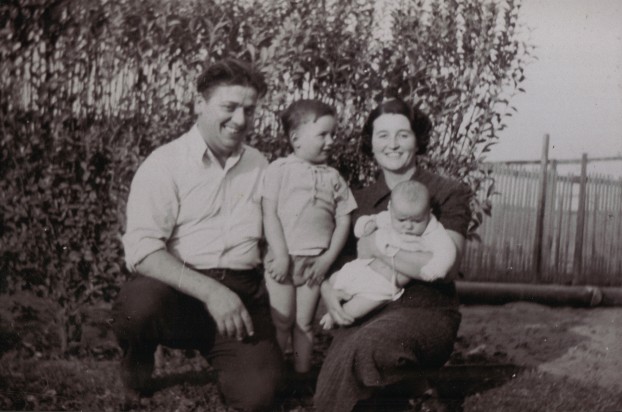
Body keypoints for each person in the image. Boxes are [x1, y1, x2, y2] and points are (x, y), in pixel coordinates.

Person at [111, 59, 282, 412]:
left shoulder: (260, 164)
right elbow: (142, 250)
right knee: (137, 308)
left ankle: (230, 360)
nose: (240, 119)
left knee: (259, 397)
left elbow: (275, 234)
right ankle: (138, 360)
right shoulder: (165, 163)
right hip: (177, 293)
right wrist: (211, 291)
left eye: (249, 110)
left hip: (241, 295)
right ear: (199, 104)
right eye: (229, 107)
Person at [314, 98, 472, 412]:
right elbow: (339, 266)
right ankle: (414, 391)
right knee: (331, 388)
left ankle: (414, 386)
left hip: (426, 310)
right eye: (382, 135)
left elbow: (446, 266)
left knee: (370, 345)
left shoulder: (446, 192)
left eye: (403, 134)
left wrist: (378, 251)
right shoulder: (359, 200)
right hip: (365, 310)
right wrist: (329, 293)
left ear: (418, 139)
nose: (393, 144)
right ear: (370, 143)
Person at [261, 99, 356, 376]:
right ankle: (276, 379)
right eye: (323, 135)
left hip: (315, 264)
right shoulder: (279, 170)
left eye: (333, 134)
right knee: (281, 321)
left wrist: (328, 259)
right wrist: (279, 253)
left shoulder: (334, 178)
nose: (330, 141)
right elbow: (269, 214)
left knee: (304, 323)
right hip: (283, 260)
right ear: (296, 139)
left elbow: (343, 219)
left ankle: (302, 376)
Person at [318, 180, 457, 330]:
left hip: (385, 283)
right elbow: (370, 221)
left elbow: (447, 251)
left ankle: (335, 315)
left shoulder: (433, 231)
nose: (408, 226)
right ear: (391, 209)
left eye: (417, 221)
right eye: (402, 220)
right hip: (365, 267)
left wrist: (434, 270)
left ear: (429, 213)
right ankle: (338, 297)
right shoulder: (388, 217)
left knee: (356, 309)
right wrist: (366, 226)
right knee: (336, 278)